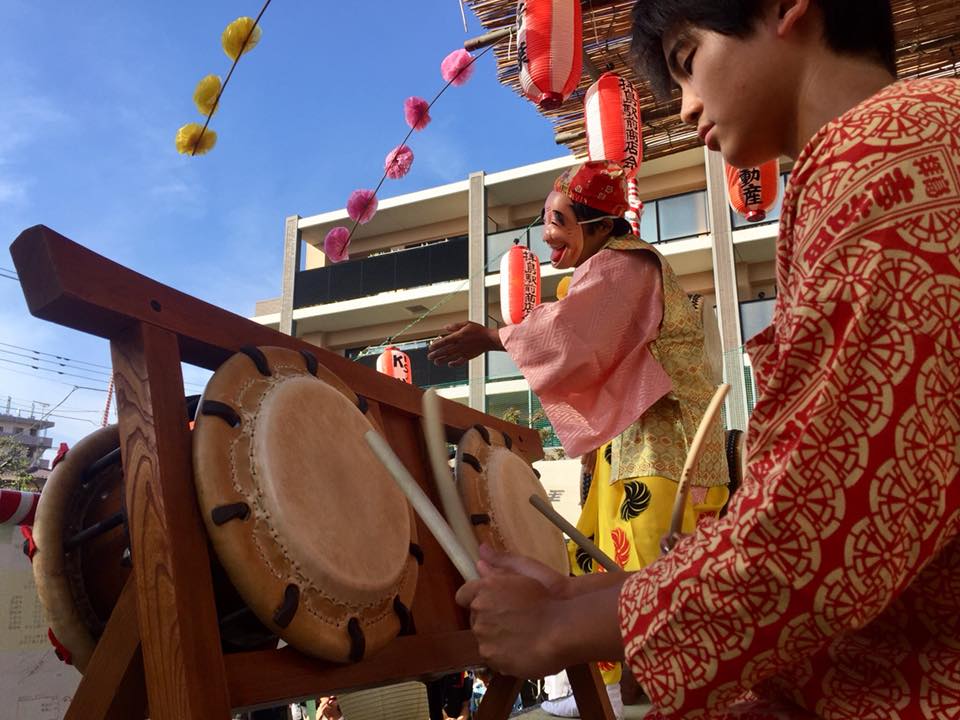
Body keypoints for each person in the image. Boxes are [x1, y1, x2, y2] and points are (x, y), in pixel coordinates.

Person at [456, 0, 960, 718]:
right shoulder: (892, 146)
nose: (687, 105)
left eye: (688, 61)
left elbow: (823, 530)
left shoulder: (878, 157)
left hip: (663, 449)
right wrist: (575, 599)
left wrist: (559, 624)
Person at [429, 160, 728, 718]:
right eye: (546, 221)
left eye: (560, 221)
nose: (547, 235)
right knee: (594, 549)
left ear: (600, 226)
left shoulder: (625, 264)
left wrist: (492, 337)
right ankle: (608, 681)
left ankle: (647, 686)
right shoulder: (612, 267)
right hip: (638, 435)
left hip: (663, 440)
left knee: (642, 550)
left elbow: (572, 336)